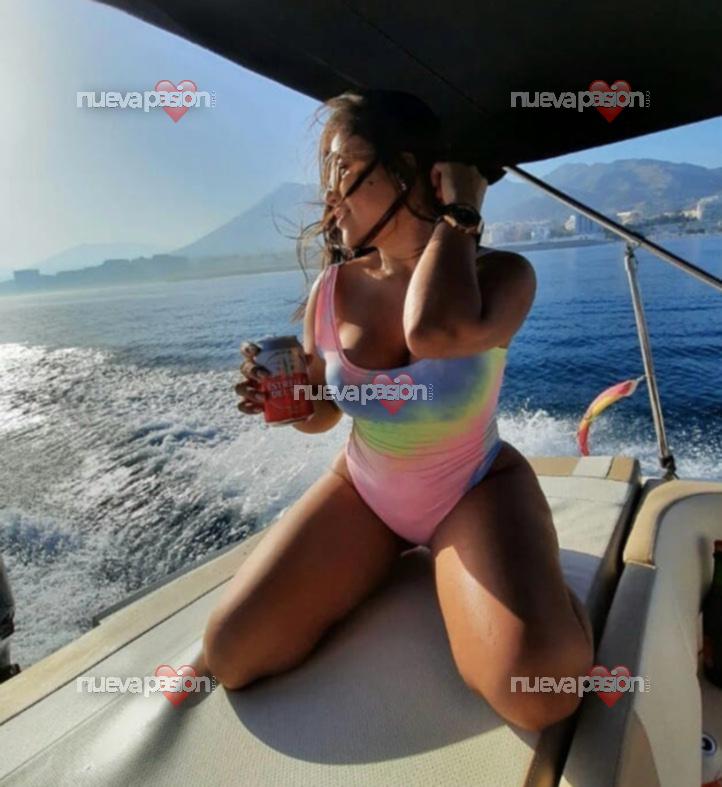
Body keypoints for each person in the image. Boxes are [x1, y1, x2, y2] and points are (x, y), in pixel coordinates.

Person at [202, 89, 594, 732]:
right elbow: (325, 414)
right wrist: (292, 399)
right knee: (231, 651)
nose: (328, 196)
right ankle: (391, 558)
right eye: (326, 175)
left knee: (541, 690)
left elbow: (434, 331)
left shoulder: (503, 276)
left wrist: (460, 213)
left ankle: (543, 589)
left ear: (408, 171)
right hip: (366, 492)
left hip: (474, 490)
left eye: (343, 170)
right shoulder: (333, 288)